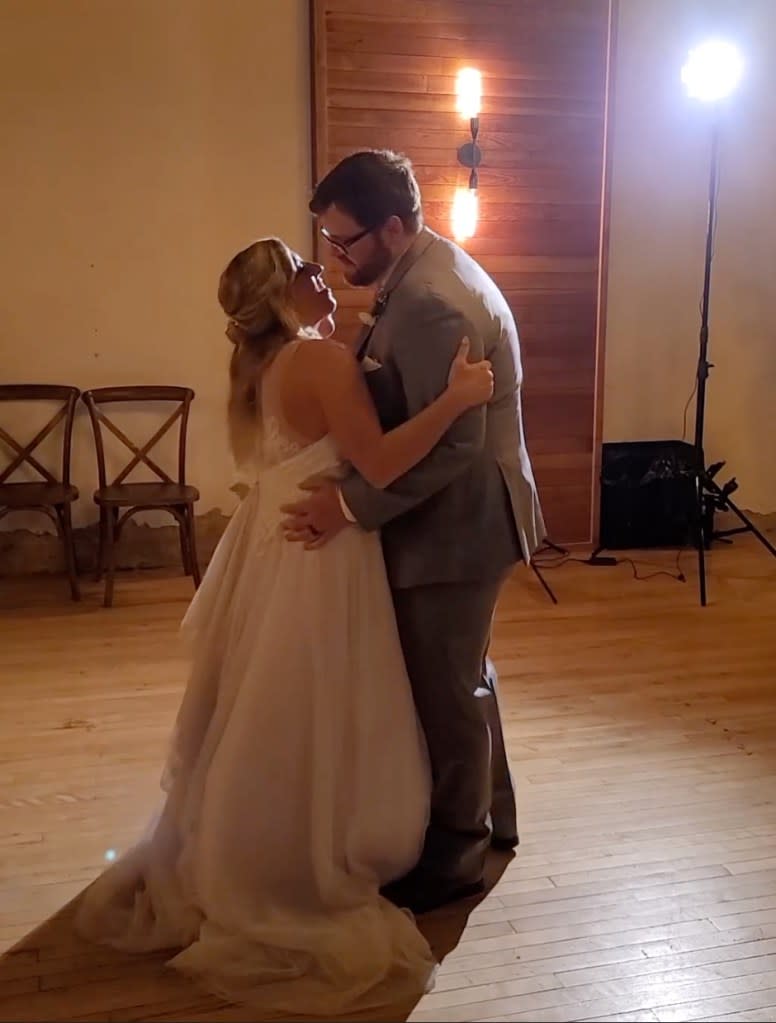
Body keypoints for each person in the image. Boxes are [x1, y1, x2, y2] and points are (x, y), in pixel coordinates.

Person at [74, 237, 494, 1017]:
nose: (322, 272)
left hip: (279, 546)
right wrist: (458, 399)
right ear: (278, 297)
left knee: (266, 698)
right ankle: (307, 844)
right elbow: (380, 461)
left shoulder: (270, 364)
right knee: (312, 697)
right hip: (322, 554)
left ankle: (253, 832)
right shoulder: (321, 364)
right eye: (306, 268)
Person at [282, 150, 546, 915]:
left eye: (345, 242)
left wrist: (353, 505)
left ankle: (458, 851)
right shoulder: (418, 274)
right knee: (464, 673)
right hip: (464, 515)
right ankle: (494, 821)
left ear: (393, 227)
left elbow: (456, 446)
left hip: (460, 523)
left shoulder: (431, 299)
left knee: (446, 687)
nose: (334, 259)